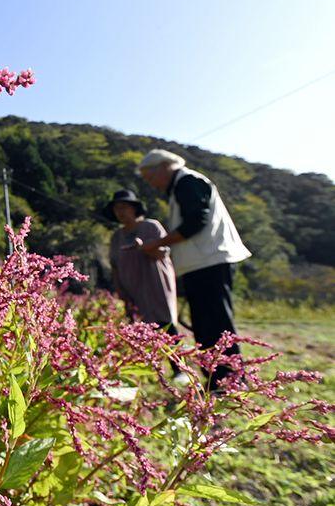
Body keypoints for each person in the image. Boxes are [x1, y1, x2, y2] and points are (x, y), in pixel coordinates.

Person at [136, 149, 251, 391]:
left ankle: (231, 381)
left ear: (163, 167)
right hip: (201, 264)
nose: (152, 185)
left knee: (217, 324)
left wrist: (157, 243)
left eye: (150, 177)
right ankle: (217, 382)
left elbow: (195, 222)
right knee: (205, 325)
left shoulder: (188, 182)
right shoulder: (183, 185)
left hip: (210, 262)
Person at [103, 189, 183, 378]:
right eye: (117, 209)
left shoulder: (151, 227)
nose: (120, 212)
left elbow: (163, 253)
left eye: (124, 207)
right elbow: (114, 265)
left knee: (166, 325)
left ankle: (179, 369)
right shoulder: (117, 237)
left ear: (134, 208)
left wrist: (144, 247)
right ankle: (145, 371)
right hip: (132, 288)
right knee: (139, 328)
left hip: (156, 283)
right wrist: (119, 289)